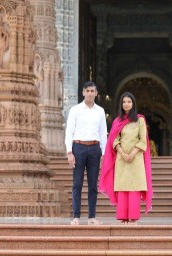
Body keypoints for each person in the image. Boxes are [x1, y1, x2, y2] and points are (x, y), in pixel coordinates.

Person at [99, 92, 153, 225]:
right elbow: (114, 139)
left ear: (133, 104)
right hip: (122, 159)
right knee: (123, 187)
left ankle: (133, 217)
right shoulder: (118, 121)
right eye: (124, 102)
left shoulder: (140, 120)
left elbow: (143, 140)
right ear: (121, 104)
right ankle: (123, 217)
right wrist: (122, 153)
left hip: (136, 159)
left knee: (134, 187)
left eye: (129, 102)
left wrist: (132, 153)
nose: (126, 104)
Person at [65, 81, 107, 225]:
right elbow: (69, 131)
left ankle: (91, 217)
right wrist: (69, 152)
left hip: (95, 149)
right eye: (87, 91)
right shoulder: (75, 110)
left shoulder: (100, 111)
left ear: (96, 93)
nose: (90, 93)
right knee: (77, 184)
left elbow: (103, 134)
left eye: (92, 91)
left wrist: (104, 153)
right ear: (83, 93)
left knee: (93, 185)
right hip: (78, 148)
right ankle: (76, 217)